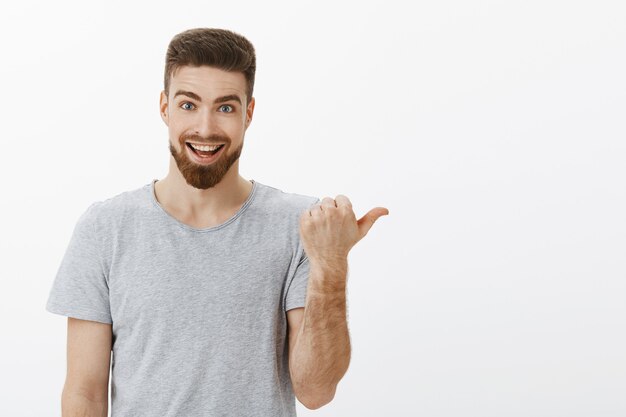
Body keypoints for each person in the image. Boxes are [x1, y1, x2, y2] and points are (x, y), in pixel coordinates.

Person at [46, 27, 389, 416]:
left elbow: (315, 390)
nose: (205, 128)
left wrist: (331, 265)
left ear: (249, 113)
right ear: (164, 107)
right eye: (189, 105)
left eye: (225, 107)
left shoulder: (301, 227)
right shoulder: (105, 228)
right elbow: (85, 394)